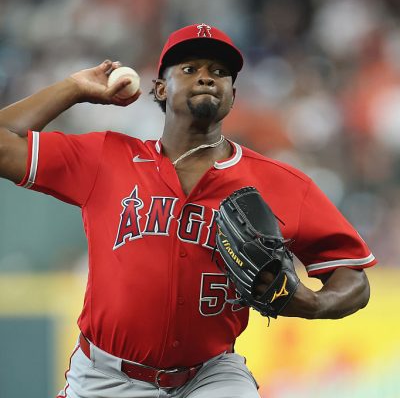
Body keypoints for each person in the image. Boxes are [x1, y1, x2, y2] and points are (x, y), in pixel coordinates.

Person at [0, 23, 376, 398]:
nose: (207, 78)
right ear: (161, 88)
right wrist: (74, 88)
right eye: (190, 69)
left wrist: (315, 303)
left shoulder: (279, 182)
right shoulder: (106, 157)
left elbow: (352, 275)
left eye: (219, 72)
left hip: (210, 376)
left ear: (232, 93)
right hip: (106, 377)